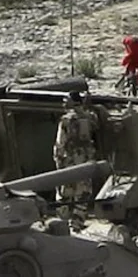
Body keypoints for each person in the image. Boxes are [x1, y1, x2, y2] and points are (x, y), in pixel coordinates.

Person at [52, 91, 99, 229]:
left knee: (65, 193)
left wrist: (58, 161)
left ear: (72, 101)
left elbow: (60, 144)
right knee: (83, 194)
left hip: (69, 162)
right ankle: (77, 224)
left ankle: (62, 224)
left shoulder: (66, 120)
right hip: (85, 162)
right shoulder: (90, 118)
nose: (63, 102)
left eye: (66, 99)